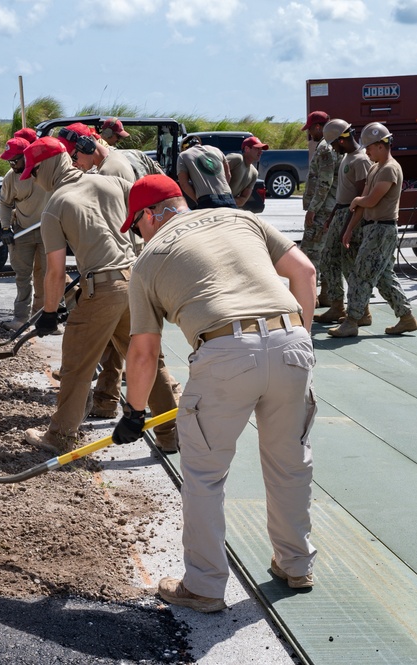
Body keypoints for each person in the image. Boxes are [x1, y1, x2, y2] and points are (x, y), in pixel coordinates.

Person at [112, 174, 318, 613]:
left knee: (205, 476)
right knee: (290, 462)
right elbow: (305, 271)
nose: (138, 234)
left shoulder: (148, 260)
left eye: (137, 224)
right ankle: (296, 564)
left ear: (150, 216)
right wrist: (301, 338)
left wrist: (133, 411)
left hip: (224, 352)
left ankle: (204, 586)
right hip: (290, 340)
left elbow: (144, 351)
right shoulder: (240, 219)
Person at [19, 137, 180, 453]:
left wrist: (50, 313)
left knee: (77, 367)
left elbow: (54, 270)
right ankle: (170, 435)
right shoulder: (114, 184)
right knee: (149, 360)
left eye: (34, 173)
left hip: (102, 290)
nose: (34, 181)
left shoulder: (55, 206)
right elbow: (139, 228)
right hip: (135, 282)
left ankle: (59, 437)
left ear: (46, 167)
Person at [329, 122, 417, 337]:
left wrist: (357, 200)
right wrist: (350, 229)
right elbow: (362, 204)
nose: (366, 150)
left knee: (361, 273)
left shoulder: (390, 168)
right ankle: (406, 318)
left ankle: (352, 320)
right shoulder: (375, 168)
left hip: (382, 230)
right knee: (383, 276)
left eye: (369, 147)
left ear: (381, 145)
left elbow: (370, 200)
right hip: (372, 228)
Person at [314, 120, 373, 325]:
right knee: (329, 260)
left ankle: (361, 310)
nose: (333, 148)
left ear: (342, 139)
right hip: (340, 213)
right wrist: (331, 219)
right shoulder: (347, 157)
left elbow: (361, 196)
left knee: (350, 266)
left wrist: (348, 226)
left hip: (351, 217)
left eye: (333, 144)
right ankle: (337, 305)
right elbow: (342, 195)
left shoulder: (360, 160)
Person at [0, 137, 50, 330]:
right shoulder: (11, 177)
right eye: (9, 161)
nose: (12, 165)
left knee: (49, 275)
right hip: (22, 231)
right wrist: (5, 228)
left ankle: (48, 316)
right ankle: (20, 318)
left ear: (26, 156)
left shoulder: (46, 171)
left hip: (48, 231)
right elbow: (4, 203)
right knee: (22, 276)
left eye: (15, 160)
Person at [301, 110, 338, 306]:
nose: (309, 134)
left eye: (310, 130)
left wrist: (313, 209)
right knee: (324, 255)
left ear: (318, 127)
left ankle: (310, 297)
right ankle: (326, 295)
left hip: (322, 210)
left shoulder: (325, 148)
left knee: (310, 254)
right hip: (328, 208)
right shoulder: (330, 146)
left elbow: (325, 182)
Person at [177, 136, 235, 209]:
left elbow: (184, 184)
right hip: (228, 197)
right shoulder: (217, 150)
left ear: (184, 148)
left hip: (207, 200)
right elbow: (228, 175)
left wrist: (197, 200)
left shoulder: (183, 155)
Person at [226, 136, 268, 208]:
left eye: (261, 149)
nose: (260, 152)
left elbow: (243, 200)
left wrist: (226, 201)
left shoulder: (254, 173)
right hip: (210, 204)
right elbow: (215, 174)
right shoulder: (237, 159)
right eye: (257, 148)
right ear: (247, 149)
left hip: (228, 207)